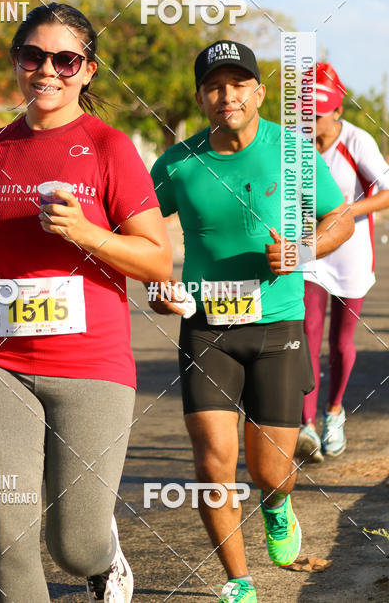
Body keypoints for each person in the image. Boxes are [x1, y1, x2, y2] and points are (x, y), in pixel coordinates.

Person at [0, 2, 172, 603]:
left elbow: (156, 261)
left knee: (75, 542)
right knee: (8, 532)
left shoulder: (107, 147)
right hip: (3, 364)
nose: (48, 70)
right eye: (32, 56)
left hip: (92, 368)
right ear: (16, 63)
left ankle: (103, 559)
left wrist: (87, 233)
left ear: (87, 70)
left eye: (65, 59)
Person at [148, 40, 354, 603]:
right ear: (201, 97)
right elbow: (139, 230)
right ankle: (238, 581)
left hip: (277, 328)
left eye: (239, 84)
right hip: (206, 328)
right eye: (215, 86)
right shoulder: (178, 164)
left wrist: (302, 250)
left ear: (259, 93)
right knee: (214, 464)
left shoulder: (291, 153)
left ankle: (276, 503)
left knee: (272, 470)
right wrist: (156, 284)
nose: (227, 95)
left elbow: (340, 218)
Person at [295, 62, 389, 462]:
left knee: (341, 341)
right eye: (305, 113)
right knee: (307, 334)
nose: (310, 120)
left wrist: (347, 212)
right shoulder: (293, 142)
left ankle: (334, 412)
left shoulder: (357, 141)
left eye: (317, 114)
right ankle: (306, 425)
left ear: (338, 112)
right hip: (309, 252)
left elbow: (387, 192)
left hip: (351, 253)